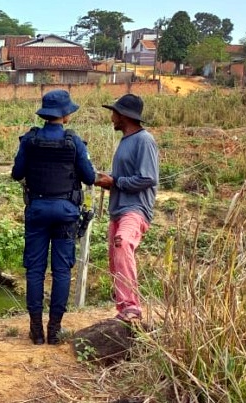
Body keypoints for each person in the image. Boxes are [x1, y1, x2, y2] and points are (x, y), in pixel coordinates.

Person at [11, 90, 96, 345]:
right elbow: (90, 177)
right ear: (65, 114)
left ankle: (36, 330)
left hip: (37, 210)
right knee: (61, 270)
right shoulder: (74, 142)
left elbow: (17, 173)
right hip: (66, 213)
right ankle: (55, 330)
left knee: (35, 269)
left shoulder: (30, 139)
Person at [94, 94, 159, 323]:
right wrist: (109, 180)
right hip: (119, 208)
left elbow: (147, 178)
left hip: (135, 208)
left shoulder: (144, 140)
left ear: (124, 116)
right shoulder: (126, 141)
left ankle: (132, 308)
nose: (111, 117)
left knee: (122, 243)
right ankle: (123, 308)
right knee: (115, 257)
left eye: (114, 113)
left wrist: (115, 182)